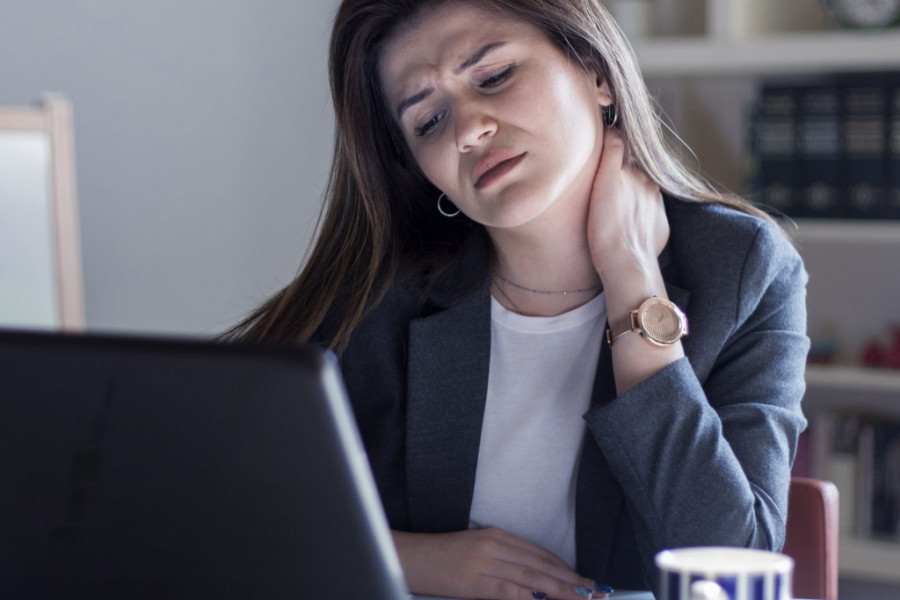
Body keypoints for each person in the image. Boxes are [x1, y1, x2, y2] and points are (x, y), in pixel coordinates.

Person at [227, 1, 809, 598]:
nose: (467, 131)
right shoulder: (374, 301)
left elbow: (727, 573)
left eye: (495, 76)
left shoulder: (740, 269)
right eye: (428, 120)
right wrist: (410, 560)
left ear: (596, 71)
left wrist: (632, 279)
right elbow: (218, 516)